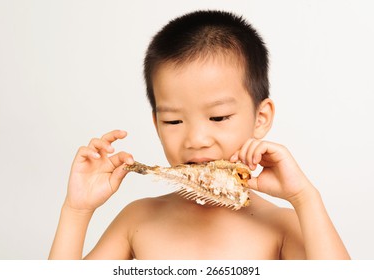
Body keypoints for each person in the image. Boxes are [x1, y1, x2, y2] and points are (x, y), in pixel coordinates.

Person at [49, 10, 350, 259]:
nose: (196, 139)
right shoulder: (137, 220)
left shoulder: (281, 226)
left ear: (261, 118)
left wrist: (305, 198)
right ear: (156, 124)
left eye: (218, 117)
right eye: (174, 121)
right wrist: (76, 210)